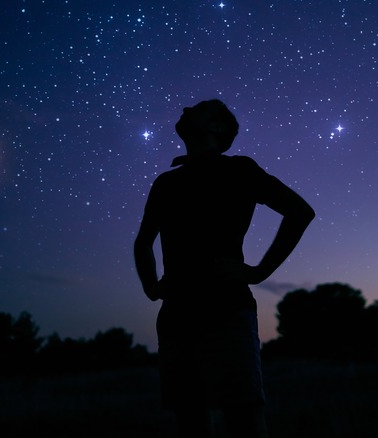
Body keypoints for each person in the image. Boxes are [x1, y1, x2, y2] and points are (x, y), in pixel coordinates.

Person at [134, 99, 314, 437]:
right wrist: (152, 287)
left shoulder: (239, 169)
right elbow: (143, 242)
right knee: (191, 421)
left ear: (217, 126)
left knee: (243, 417)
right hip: (176, 317)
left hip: (226, 311)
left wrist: (259, 272)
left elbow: (300, 211)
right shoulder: (166, 183)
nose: (186, 109)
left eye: (200, 107)